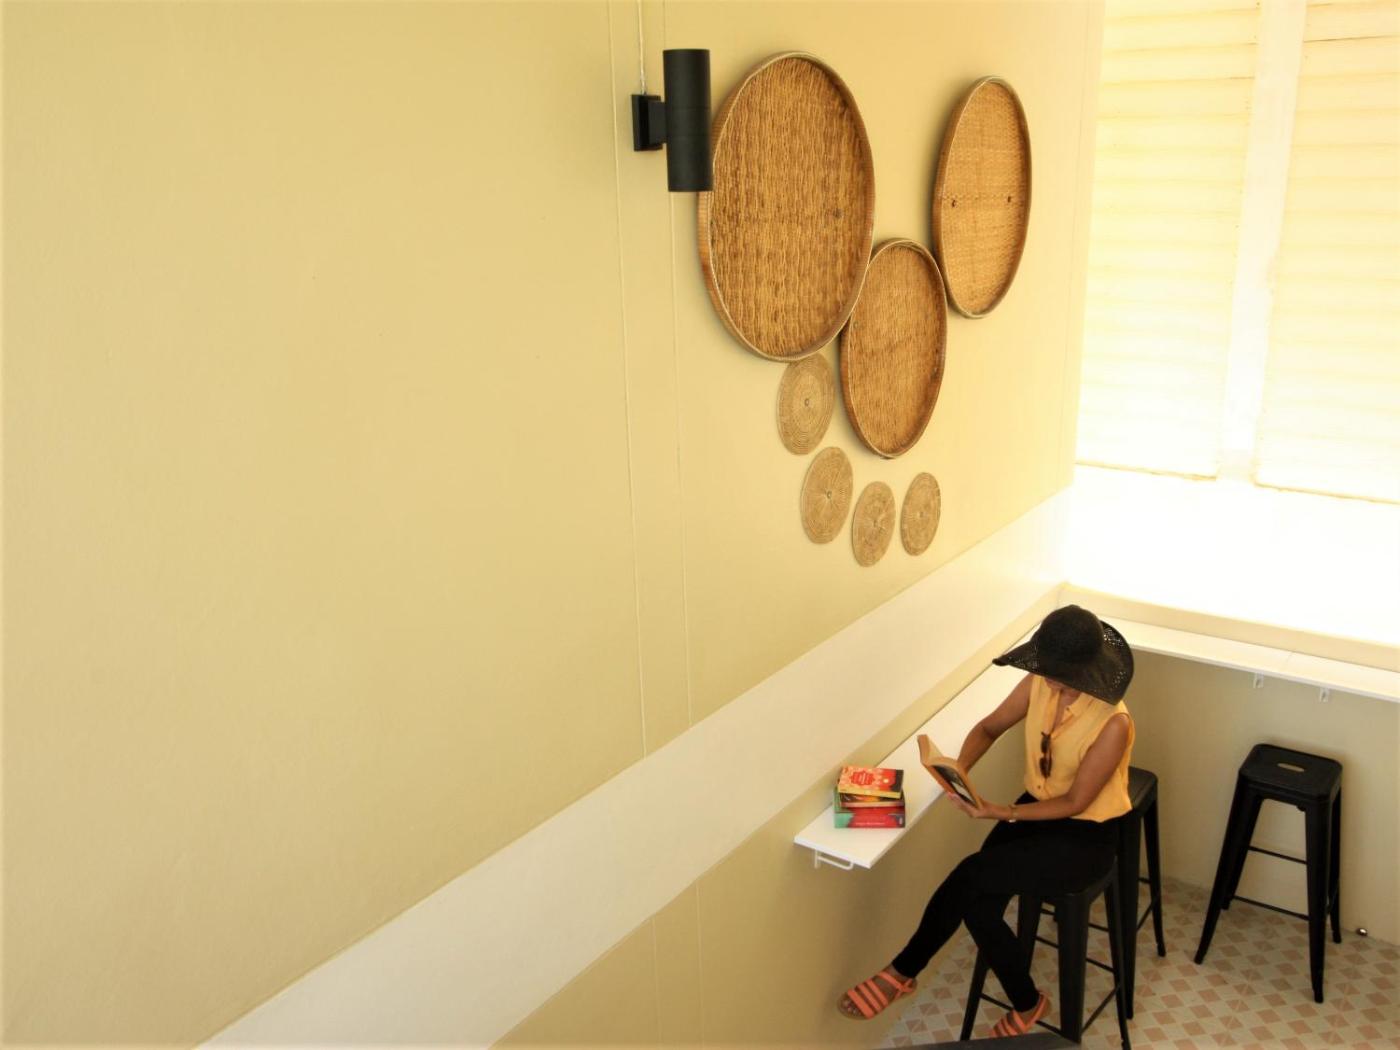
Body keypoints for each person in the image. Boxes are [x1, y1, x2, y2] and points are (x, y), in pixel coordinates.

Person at [837, 604, 1136, 1037]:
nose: (1050, 681)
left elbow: (1074, 802)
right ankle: (1028, 1003)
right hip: (1037, 810)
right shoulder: (1039, 683)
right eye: (1047, 671)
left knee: (970, 876)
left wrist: (1000, 811)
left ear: (1086, 671)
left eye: (1059, 676)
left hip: (1085, 834)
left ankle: (902, 971)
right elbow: (989, 728)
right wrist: (957, 771)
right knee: (976, 899)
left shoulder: (1113, 723)